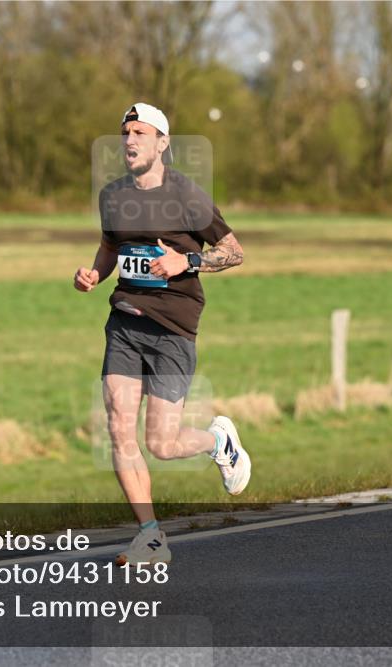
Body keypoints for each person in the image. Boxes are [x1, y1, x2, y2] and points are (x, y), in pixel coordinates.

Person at [73, 102, 251, 566]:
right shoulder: (112, 195)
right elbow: (110, 246)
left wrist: (186, 262)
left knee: (162, 444)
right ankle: (150, 536)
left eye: (140, 132)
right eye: (125, 133)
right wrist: (94, 274)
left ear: (162, 143)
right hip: (125, 322)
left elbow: (233, 252)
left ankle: (219, 441)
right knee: (117, 425)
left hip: (173, 327)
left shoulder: (187, 196)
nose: (129, 141)